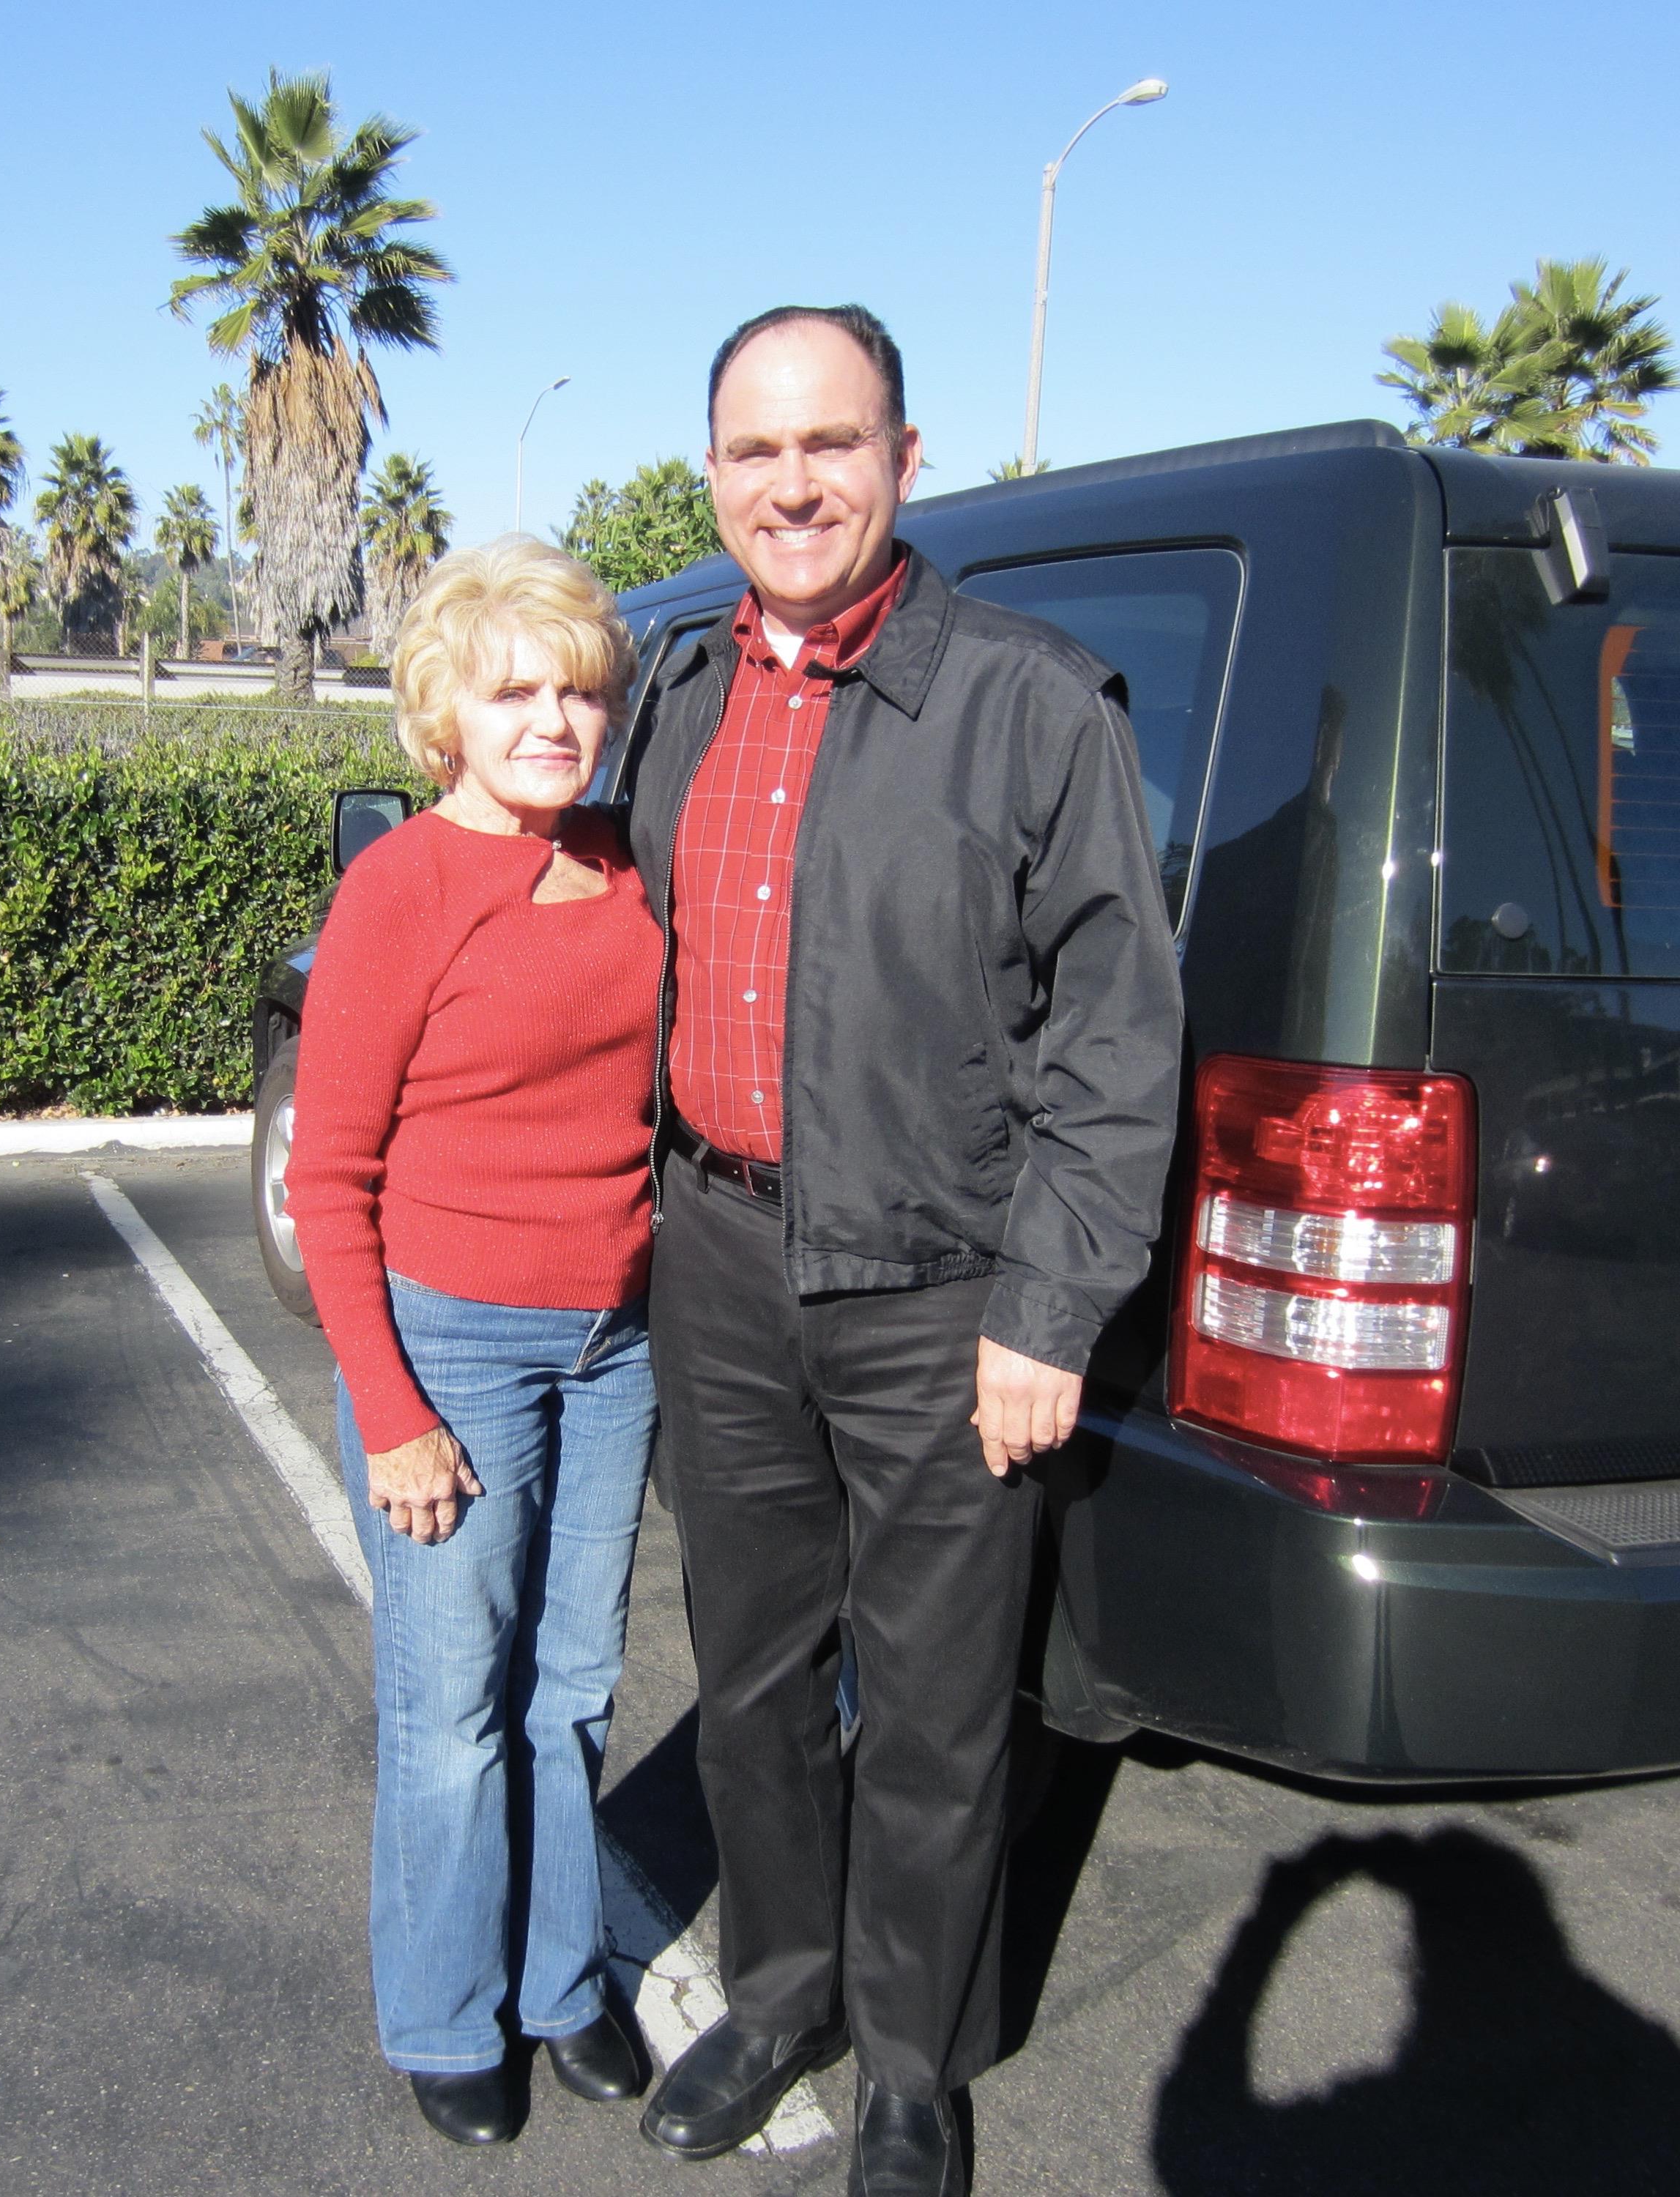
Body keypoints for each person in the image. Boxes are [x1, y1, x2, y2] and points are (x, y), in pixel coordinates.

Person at [628, 306, 1184, 2197]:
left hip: (942, 1285)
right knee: (752, 1672)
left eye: (829, 445)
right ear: (714, 473)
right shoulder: (679, 694)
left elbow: (1117, 1040)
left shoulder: (1030, 702)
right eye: (753, 452)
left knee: (939, 1702)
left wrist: (1045, 1310)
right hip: (714, 1255)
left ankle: (910, 2071)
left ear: (903, 457)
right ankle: (783, 1992)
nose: (790, 484)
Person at [286, 536, 658, 2149]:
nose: (552, 722)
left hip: (618, 1340)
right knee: (451, 1705)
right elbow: (329, 1172)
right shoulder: (404, 884)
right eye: (514, 693)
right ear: (446, 712)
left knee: (573, 1683)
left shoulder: (626, 862)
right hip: (455, 1343)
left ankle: (562, 1984)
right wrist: (388, 1411)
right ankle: (443, 2010)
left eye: (576, 691)